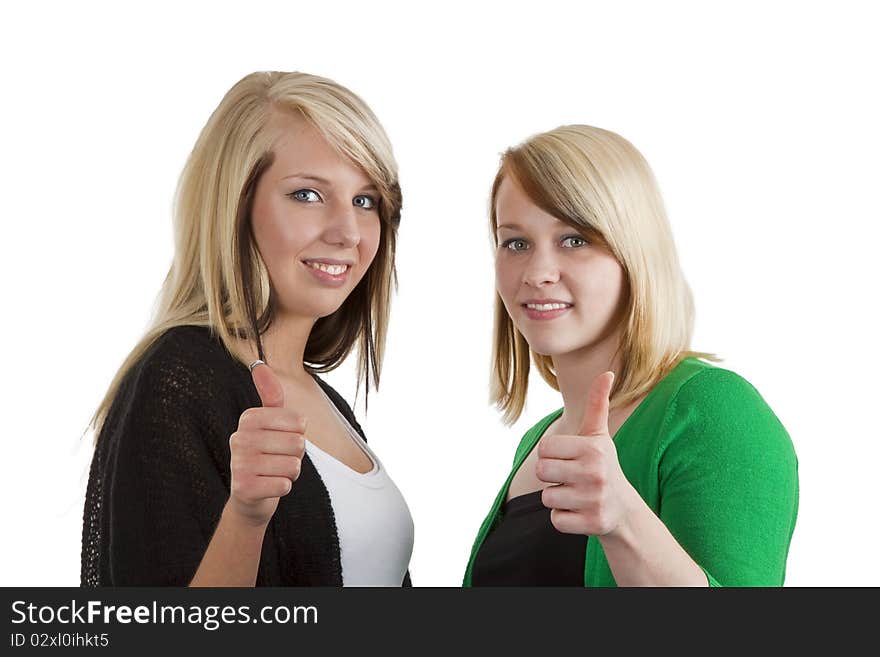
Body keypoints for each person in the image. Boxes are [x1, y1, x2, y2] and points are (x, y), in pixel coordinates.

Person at [81, 71, 414, 586]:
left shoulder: (326, 400)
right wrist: (246, 517)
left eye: (365, 201)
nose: (348, 232)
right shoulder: (179, 378)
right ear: (235, 206)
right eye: (307, 195)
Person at [463, 125, 798, 586]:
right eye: (516, 242)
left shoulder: (714, 412)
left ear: (634, 250)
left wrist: (624, 523)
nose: (537, 272)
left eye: (574, 239)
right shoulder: (538, 441)